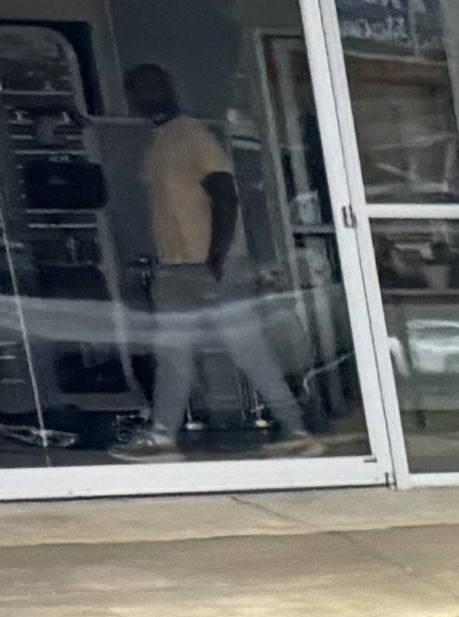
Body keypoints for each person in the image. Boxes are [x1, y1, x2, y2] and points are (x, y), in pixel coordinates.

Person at [123, 62, 316, 458]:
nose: (145, 97)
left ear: (168, 89)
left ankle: (296, 428)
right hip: (175, 268)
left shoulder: (192, 133)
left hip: (214, 266)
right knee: (173, 356)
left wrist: (218, 254)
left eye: (152, 87)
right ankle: (162, 434)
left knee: (248, 349)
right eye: (138, 90)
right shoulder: (158, 140)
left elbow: (225, 192)